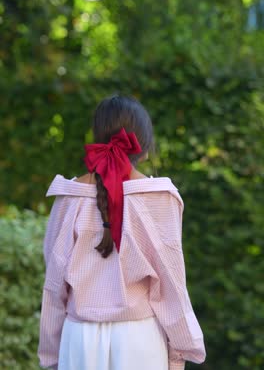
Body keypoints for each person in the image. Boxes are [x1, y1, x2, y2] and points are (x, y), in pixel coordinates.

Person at [38, 94, 206, 370]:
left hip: (79, 338)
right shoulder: (159, 197)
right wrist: (179, 353)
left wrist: (51, 356)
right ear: (144, 143)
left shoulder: (68, 198)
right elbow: (171, 283)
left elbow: (54, 284)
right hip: (139, 340)